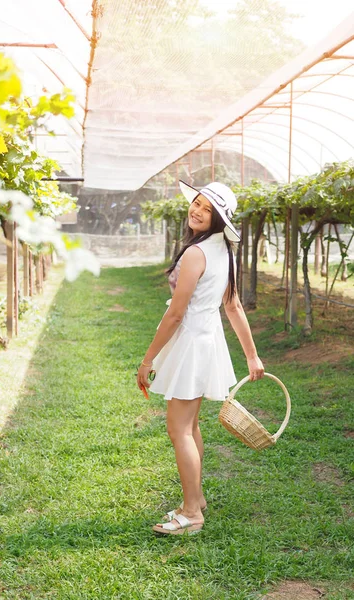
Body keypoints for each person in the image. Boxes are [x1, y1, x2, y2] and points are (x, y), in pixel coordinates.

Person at [136, 180, 265, 536]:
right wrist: (251, 357)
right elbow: (233, 305)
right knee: (190, 426)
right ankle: (197, 499)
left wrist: (147, 360)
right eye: (196, 202)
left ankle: (192, 514)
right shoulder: (223, 249)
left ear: (218, 219)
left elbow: (177, 314)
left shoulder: (197, 253)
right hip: (205, 341)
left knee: (179, 429)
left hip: (192, 342)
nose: (197, 210)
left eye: (207, 209)